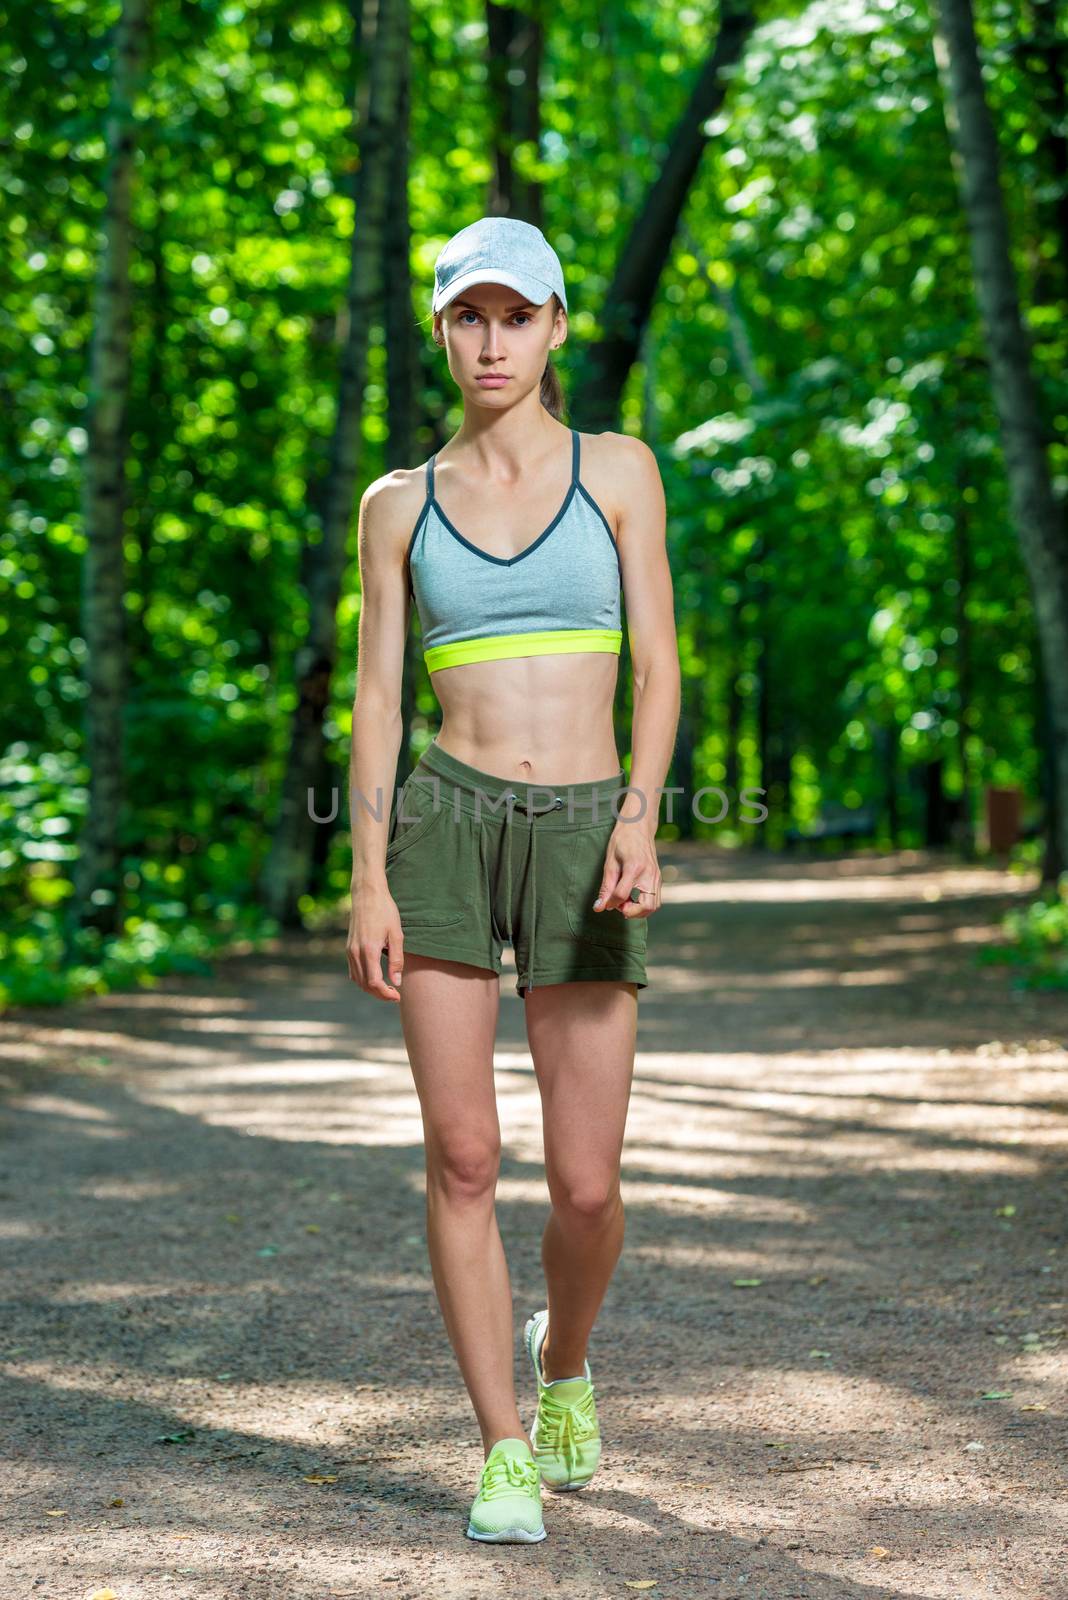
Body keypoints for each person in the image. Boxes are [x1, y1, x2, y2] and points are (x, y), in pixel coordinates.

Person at [347, 215, 680, 1543]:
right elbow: (377, 695)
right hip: (443, 819)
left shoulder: (620, 472)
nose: (492, 342)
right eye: (467, 318)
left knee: (588, 1186)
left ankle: (563, 1364)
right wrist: (368, 873)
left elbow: (658, 664)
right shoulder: (398, 502)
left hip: (586, 822)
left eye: (516, 317)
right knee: (467, 1155)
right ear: (442, 330)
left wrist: (642, 814)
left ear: (555, 328)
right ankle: (499, 1450)